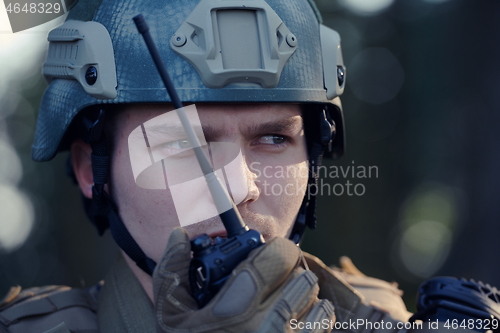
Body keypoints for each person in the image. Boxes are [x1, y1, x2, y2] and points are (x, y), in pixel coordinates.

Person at [1, 0, 493, 332]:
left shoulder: (378, 316)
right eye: (185, 146)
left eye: (274, 138)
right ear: (92, 171)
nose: (240, 186)